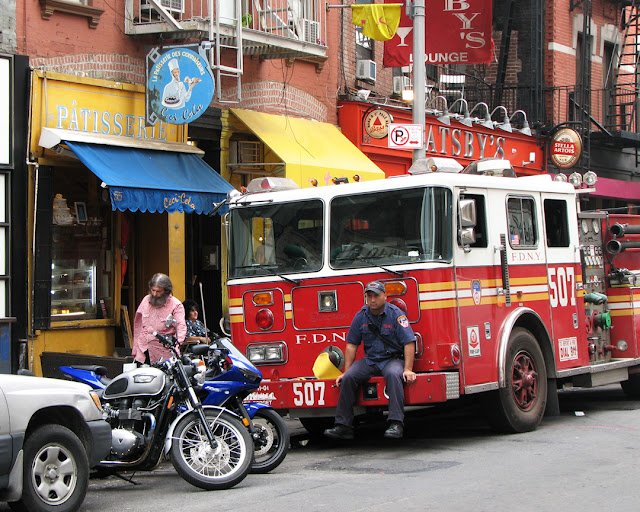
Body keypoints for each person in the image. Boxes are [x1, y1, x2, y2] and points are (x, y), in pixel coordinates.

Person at [324, 280, 416, 440]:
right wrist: (346, 371)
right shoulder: (361, 316)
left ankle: (396, 424)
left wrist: (408, 369)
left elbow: (409, 342)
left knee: (394, 375)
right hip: (371, 360)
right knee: (349, 378)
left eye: (376, 296)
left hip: (392, 359)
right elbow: (352, 345)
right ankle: (343, 426)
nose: (372, 300)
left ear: (385, 296)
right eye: (369, 296)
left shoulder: (396, 314)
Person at [132, 273, 187, 364]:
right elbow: (138, 325)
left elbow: (181, 328)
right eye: (153, 290)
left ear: (166, 291)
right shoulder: (146, 300)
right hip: (143, 350)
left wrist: (176, 345)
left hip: (164, 353)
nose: (154, 294)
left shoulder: (176, 305)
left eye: (158, 291)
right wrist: (135, 348)